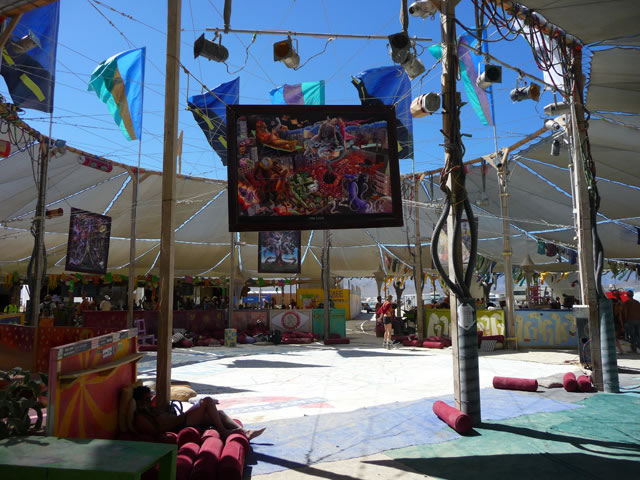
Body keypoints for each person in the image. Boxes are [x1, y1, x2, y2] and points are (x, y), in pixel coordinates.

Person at [132, 385, 265, 440]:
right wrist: (174, 420)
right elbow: (156, 432)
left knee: (220, 413)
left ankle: (244, 431)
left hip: (182, 419)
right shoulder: (141, 417)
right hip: (181, 424)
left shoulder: (151, 409)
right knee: (206, 401)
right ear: (139, 401)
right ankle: (223, 431)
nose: (150, 401)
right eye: (147, 399)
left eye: (150, 398)